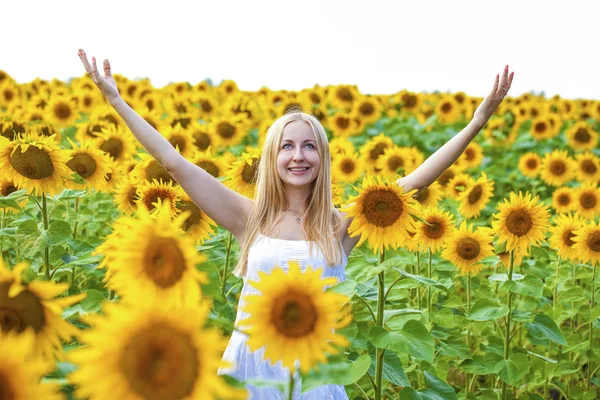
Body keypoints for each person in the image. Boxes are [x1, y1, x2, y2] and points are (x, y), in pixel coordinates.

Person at [77, 49, 513, 399]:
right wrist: (117, 101)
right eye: (287, 146)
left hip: (312, 371)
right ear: (273, 157)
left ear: (322, 158)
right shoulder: (249, 219)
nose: (298, 155)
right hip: (250, 366)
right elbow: (175, 164)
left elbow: (417, 181)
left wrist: (476, 122)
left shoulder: (340, 226)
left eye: (310, 146)